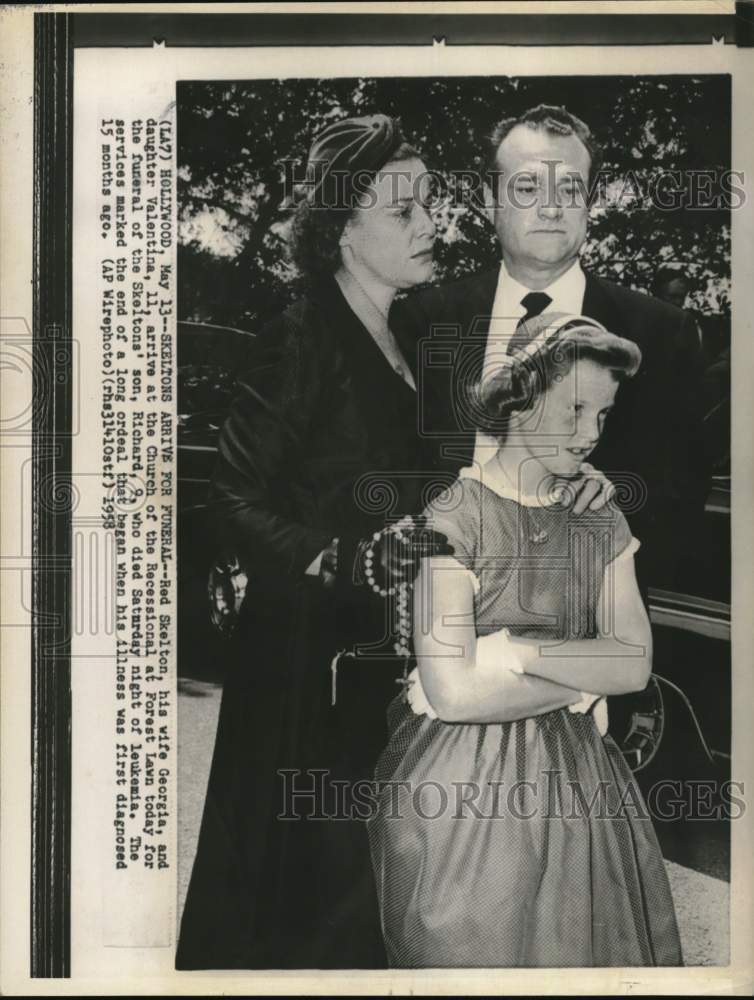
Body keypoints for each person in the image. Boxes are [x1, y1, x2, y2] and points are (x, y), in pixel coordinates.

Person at [176, 114, 451, 970]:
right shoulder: (298, 336)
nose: (431, 225)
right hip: (302, 666)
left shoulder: (409, 340)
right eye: (405, 212)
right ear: (342, 227)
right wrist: (341, 557)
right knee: (308, 902)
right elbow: (230, 498)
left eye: (429, 207)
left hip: (384, 657)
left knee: (375, 886)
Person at [367, 313, 684, 968]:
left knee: (580, 949)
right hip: (463, 791)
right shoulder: (456, 513)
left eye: (603, 414)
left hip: (582, 786)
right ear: (521, 396)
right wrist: (581, 675)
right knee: (470, 952)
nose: (591, 434)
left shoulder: (600, 516)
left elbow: (633, 667)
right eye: (574, 408)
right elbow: (452, 692)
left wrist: (513, 653)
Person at [394, 104, 707, 594]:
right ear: (489, 197)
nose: (551, 207)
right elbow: (387, 467)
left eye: (569, 189)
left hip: (589, 614)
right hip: (435, 601)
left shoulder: (661, 334)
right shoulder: (420, 322)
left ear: (590, 203)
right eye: (526, 188)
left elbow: (681, 492)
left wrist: (610, 503)